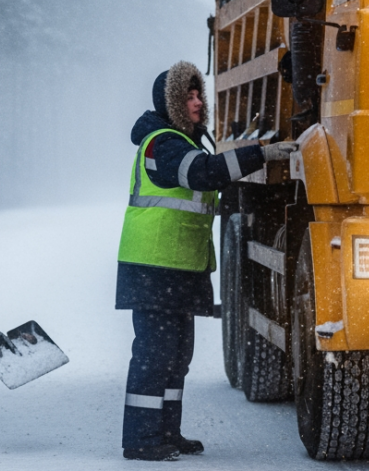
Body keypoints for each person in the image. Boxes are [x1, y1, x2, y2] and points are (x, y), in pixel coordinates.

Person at [116, 61, 296, 461]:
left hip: (176, 268)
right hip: (154, 268)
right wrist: (260, 154)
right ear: (171, 104)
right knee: (155, 357)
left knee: (176, 357)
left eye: (199, 95)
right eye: (189, 97)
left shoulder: (184, 142)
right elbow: (203, 174)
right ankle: (141, 440)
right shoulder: (162, 145)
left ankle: (166, 432)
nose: (198, 103)